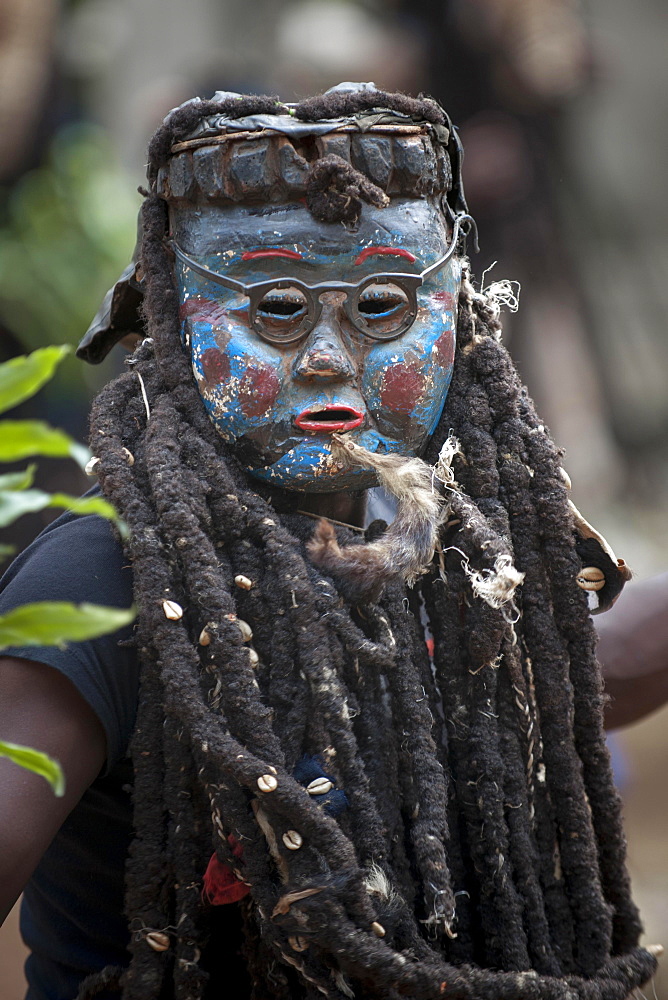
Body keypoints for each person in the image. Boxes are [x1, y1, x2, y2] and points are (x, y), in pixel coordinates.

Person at [0, 83, 659, 1000]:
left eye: (383, 303)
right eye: (274, 308)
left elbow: (557, 677)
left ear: (458, 316)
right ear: (174, 319)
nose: (325, 357)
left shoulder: (445, 539)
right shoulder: (104, 579)